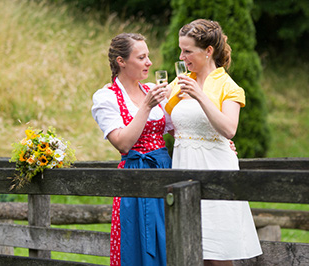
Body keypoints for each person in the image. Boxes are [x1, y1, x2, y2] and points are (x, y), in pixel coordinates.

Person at [165, 19, 262, 265]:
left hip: (216, 167)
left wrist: (199, 96)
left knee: (218, 252)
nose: (182, 56)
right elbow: (167, 124)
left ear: (208, 51)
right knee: (189, 248)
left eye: (188, 51)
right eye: (181, 50)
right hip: (184, 167)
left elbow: (229, 129)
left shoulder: (228, 86)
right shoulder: (179, 82)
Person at [91, 33, 173, 265]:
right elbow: (123, 143)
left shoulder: (152, 90)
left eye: (148, 56)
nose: (149, 62)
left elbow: (176, 130)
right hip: (134, 176)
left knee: (170, 241)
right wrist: (146, 106)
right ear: (121, 61)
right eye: (142, 57)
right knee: (136, 243)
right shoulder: (107, 97)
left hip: (165, 171)